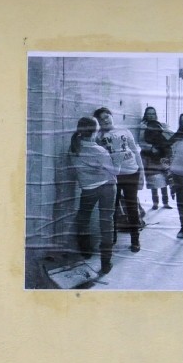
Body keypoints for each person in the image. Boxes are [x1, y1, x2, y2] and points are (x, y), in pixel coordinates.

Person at [70, 116, 118, 276]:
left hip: (87, 189)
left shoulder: (74, 147)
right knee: (107, 224)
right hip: (106, 187)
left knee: (83, 219)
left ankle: (86, 251)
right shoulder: (100, 150)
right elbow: (114, 171)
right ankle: (106, 263)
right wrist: (113, 154)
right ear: (96, 131)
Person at [94, 107, 142, 253]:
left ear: (111, 116)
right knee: (112, 208)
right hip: (112, 176)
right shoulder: (98, 137)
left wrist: (142, 174)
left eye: (106, 117)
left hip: (131, 173)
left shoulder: (125, 131)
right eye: (101, 119)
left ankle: (135, 239)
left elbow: (135, 151)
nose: (105, 120)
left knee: (132, 207)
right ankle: (112, 238)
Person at [137, 107, 172, 210]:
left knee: (164, 178)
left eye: (153, 113)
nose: (151, 115)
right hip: (149, 156)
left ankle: (165, 203)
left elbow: (168, 137)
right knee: (153, 179)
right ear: (146, 115)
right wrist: (152, 148)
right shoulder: (143, 126)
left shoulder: (160, 125)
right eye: (149, 114)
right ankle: (155, 203)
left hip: (161, 155)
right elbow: (141, 142)